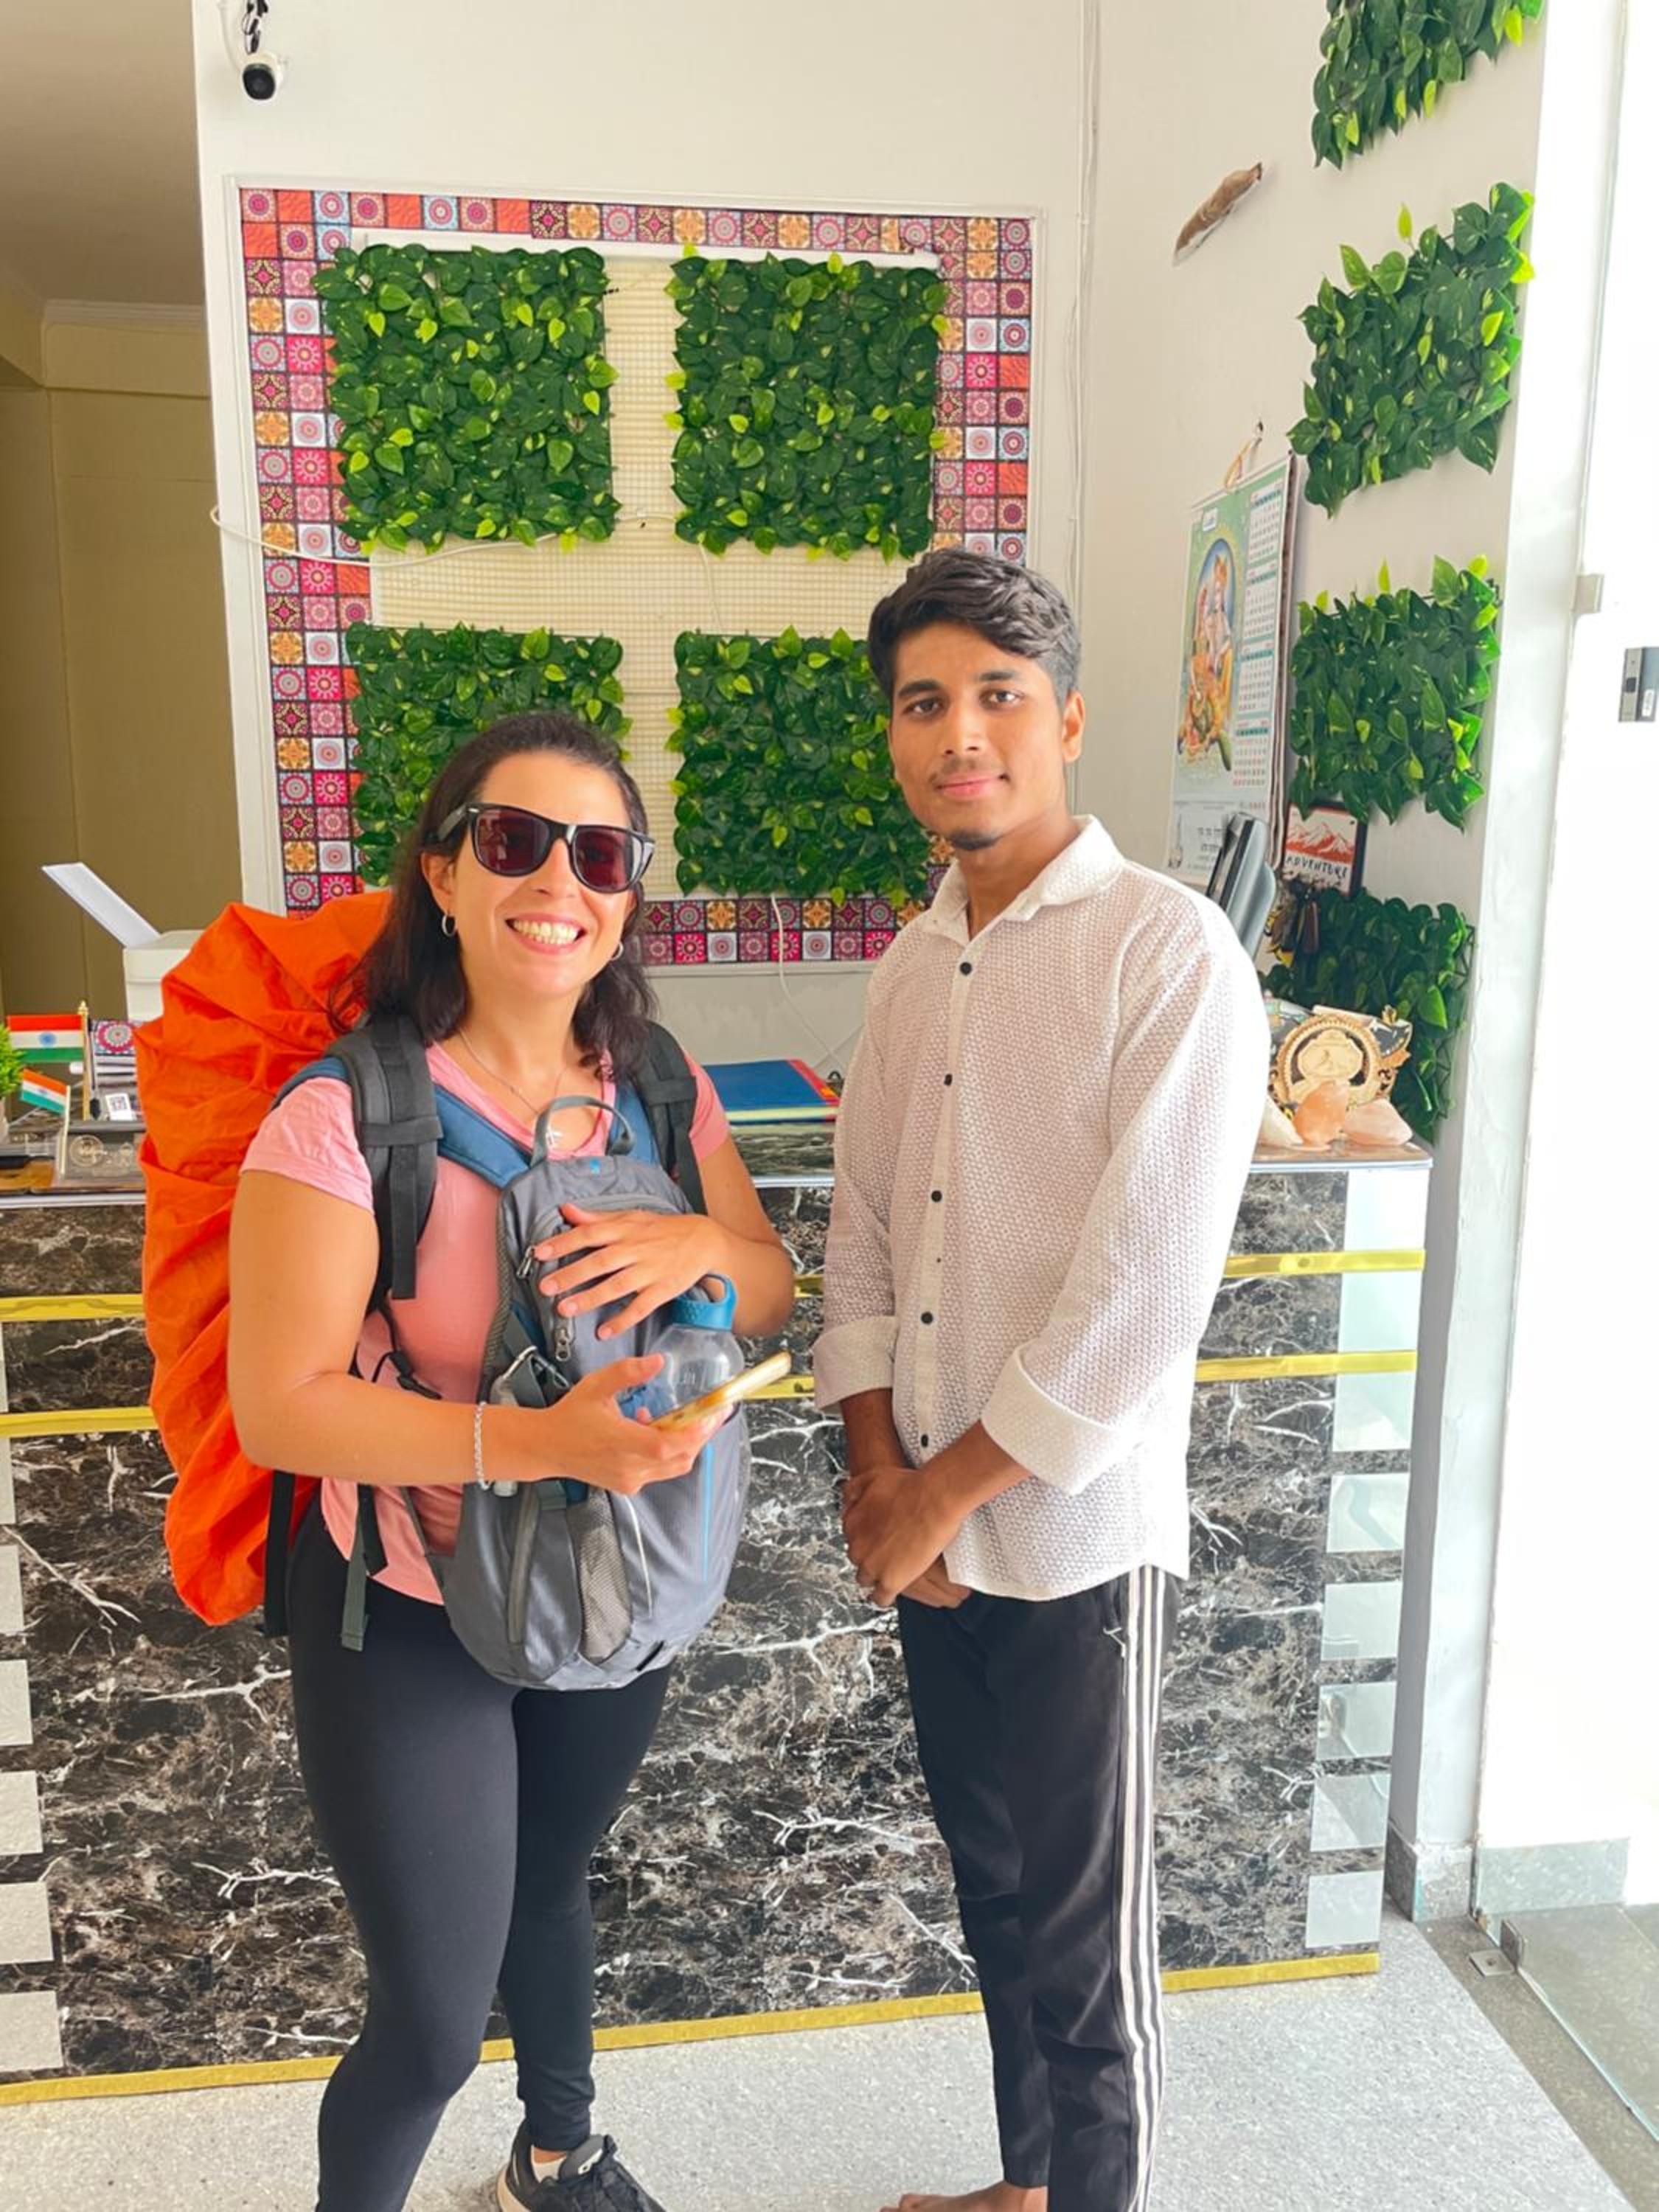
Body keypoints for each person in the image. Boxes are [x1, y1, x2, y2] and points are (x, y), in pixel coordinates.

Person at [228, 712, 795, 2212]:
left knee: (551, 1878)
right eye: (513, 840)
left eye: (599, 853)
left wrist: (700, 1242)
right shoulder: (347, 1117)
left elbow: (769, 1283)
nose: (559, 881)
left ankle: (558, 2154)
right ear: (444, 870)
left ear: (628, 890)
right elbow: (281, 1407)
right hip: (407, 1604)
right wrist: (538, 1441)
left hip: (613, 1573)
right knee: (428, 2022)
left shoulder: (657, 1085)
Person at [815, 550, 1266, 2212]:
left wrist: (933, 1495)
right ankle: (1032, 2188)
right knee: (994, 1893)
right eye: (924, 702)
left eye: (998, 697)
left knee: (1085, 1938)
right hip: (929, 1535)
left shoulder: (1169, 953)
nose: (961, 735)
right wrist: (879, 1476)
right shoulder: (909, 966)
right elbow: (865, 1234)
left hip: (1066, 1538)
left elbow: (1139, 1303)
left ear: (1066, 720)